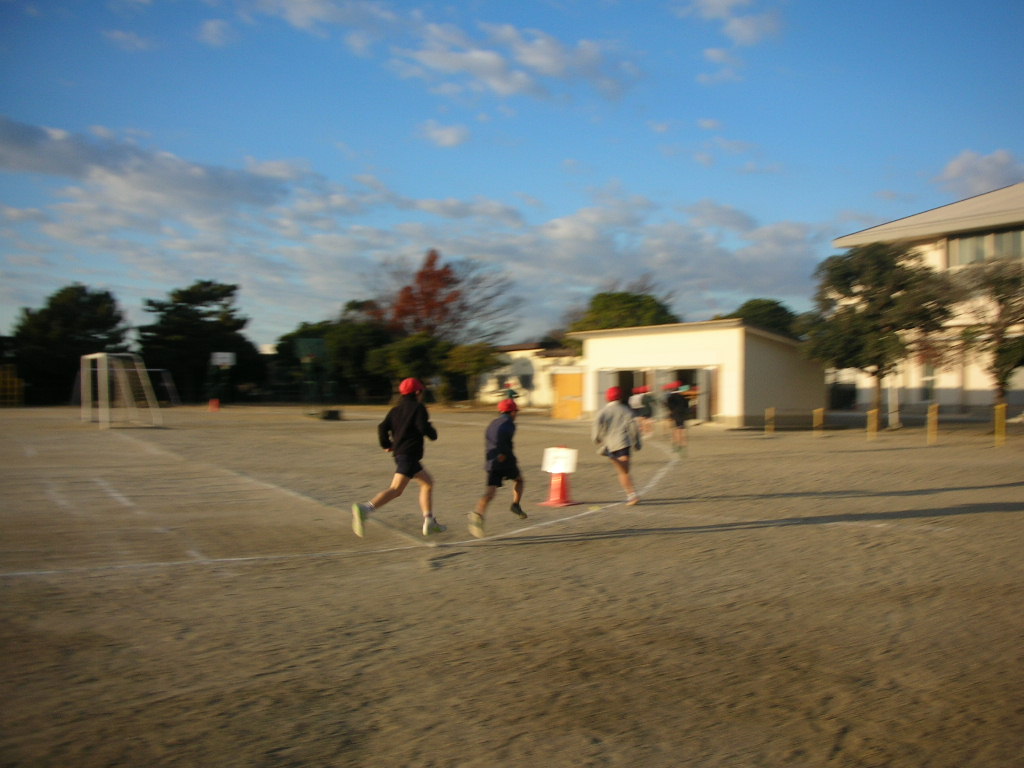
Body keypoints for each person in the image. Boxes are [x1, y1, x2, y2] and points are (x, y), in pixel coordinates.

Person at [351, 377, 446, 537]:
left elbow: (382, 427)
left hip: (403, 455)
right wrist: (432, 433)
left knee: (428, 483)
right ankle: (365, 509)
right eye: (421, 391)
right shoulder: (418, 407)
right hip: (408, 455)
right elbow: (423, 427)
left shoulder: (395, 410)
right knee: (396, 490)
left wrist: (386, 444)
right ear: (417, 392)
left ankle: (429, 521)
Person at [468, 398, 527, 539]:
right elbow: (502, 441)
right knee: (519, 480)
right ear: (512, 411)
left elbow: (489, 438)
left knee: (490, 493)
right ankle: (515, 504)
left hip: (491, 462)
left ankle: (478, 515)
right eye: (515, 411)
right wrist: (504, 455)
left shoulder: (493, 423)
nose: (516, 414)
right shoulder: (509, 424)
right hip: (504, 460)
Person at [592, 385, 642, 505]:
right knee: (624, 471)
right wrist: (637, 442)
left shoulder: (603, 411)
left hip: (610, 444)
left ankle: (631, 495)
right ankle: (632, 495)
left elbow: (597, 426)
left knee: (622, 471)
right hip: (624, 443)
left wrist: (596, 438)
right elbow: (633, 427)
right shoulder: (626, 410)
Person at [664, 383, 690, 455]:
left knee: (676, 431)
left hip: (675, 415)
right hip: (683, 415)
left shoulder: (670, 397)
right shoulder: (683, 397)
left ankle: (677, 447)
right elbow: (687, 406)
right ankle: (684, 448)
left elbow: (669, 407)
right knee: (683, 431)